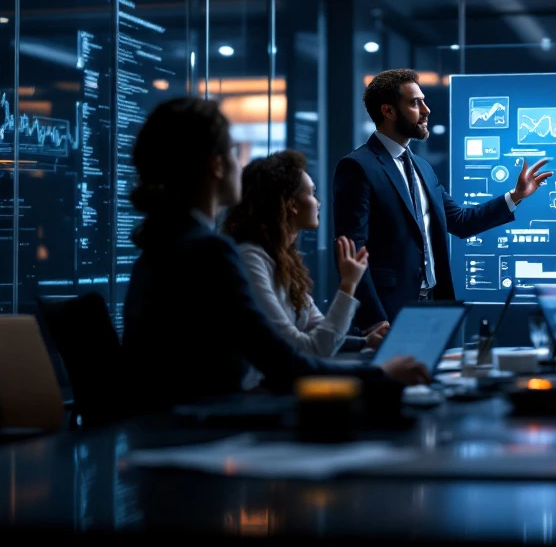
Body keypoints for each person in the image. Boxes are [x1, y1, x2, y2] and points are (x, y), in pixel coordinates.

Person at [122, 97, 430, 412]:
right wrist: (380, 375)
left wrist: (365, 349)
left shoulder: (167, 245)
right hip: (201, 433)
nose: (239, 165)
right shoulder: (208, 252)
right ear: (216, 166)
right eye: (232, 152)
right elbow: (285, 362)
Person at [334, 69, 551, 329]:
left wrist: (516, 196)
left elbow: (460, 222)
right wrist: (374, 320)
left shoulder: (421, 167)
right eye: (415, 102)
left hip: (432, 305)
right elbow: (352, 253)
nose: (426, 110)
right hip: (389, 311)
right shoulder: (358, 166)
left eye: (423, 101)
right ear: (388, 111)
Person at [223, 151, 388, 369]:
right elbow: (310, 347)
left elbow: (321, 334)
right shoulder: (251, 259)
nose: (318, 203)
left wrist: (365, 343)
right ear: (292, 204)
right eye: (312, 193)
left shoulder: (283, 260)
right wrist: (348, 286)